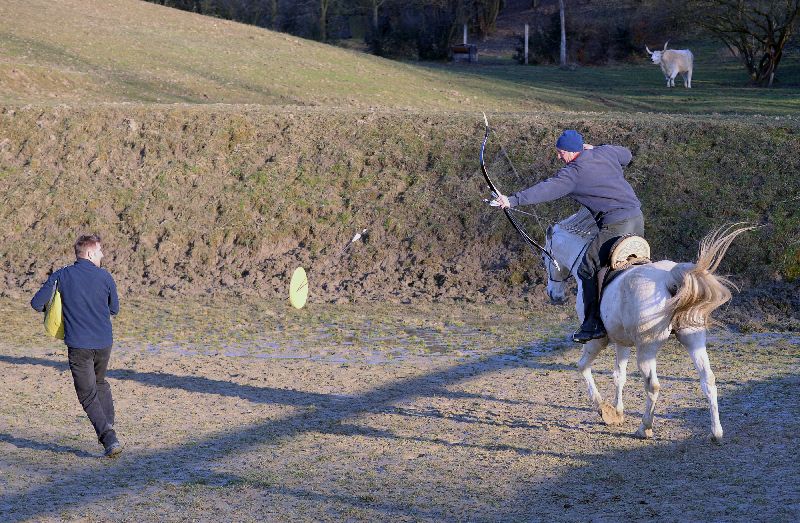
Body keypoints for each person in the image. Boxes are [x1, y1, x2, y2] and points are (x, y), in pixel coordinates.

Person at [494, 130, 644, 343]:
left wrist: (512, 200)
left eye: (560, 152)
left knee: (586, 267)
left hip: (615, 224)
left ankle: (592, 324)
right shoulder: (605, 152)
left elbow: (546, 189)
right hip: (637, 218)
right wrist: (597, 147)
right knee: (620, 267)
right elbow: (627, 155)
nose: (558, 157)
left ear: (572, 152)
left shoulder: (573, 173)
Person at [31, 234, 122, 457]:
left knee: (87, 394)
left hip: (79, 344)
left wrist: (56, 309)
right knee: (100, 383)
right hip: (104, 343)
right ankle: (108, 427)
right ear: (89, 253)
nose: (102, 255)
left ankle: (109, 438)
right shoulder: (105, 277)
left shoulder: (61, 275)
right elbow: (115, 309)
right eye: (100, 251)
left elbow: (36, 303)